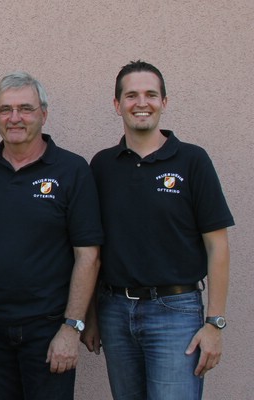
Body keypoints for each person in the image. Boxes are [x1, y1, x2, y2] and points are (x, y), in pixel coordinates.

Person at [85, 60, 234, 400]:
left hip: (176, 313)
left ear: (164, 102)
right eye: (131, 95)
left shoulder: (192, 161)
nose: (142, 103)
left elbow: (218, 246)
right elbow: (93, 247)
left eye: (151, 94)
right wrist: (91, 315)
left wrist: (215, 322)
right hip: (114, 311)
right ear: (117, 104)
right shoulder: (102, 165)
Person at [0, 72, 103, 400]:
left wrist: (72, 326)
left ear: (43, 114)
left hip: (49, 328)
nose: (15, 118)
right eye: (5, 109)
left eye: (25, 108)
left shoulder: (72, 170)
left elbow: (88, 256)